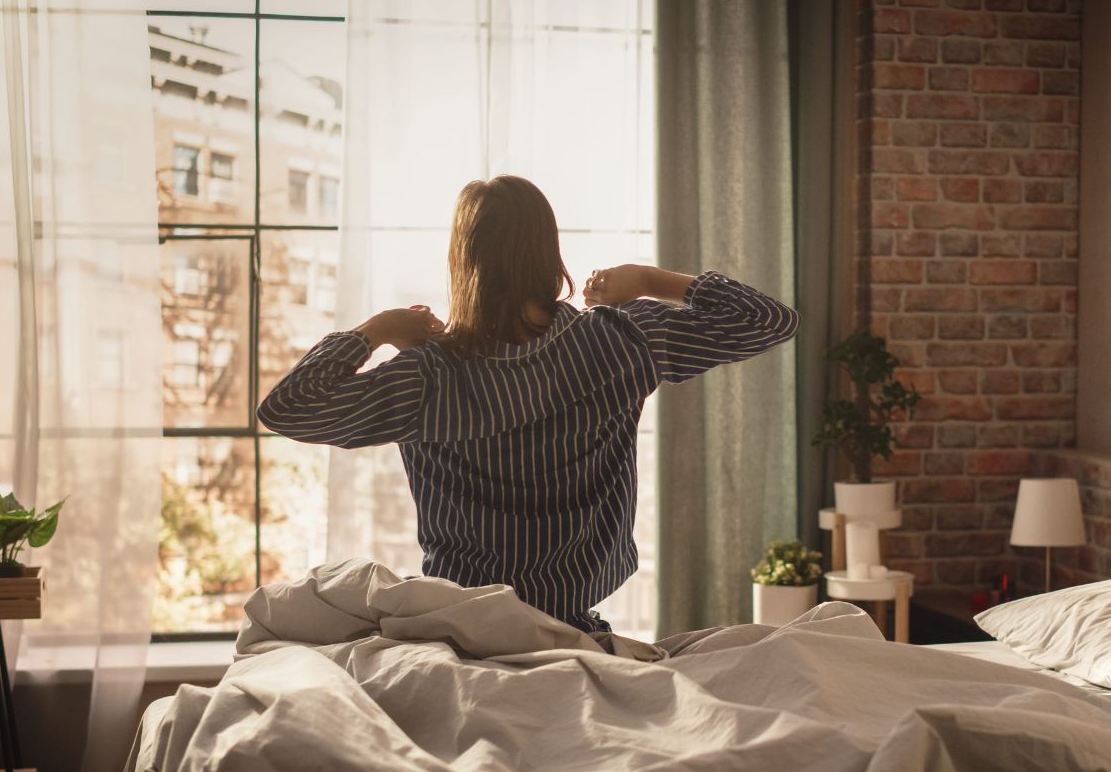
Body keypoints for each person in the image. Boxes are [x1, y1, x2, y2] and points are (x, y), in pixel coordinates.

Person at [257, 175, 797, 633]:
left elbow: (287, 408)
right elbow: (770, 319)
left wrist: (379, 329)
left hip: (459, 631)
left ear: (464, 260)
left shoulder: (430, 376)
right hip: (571, 625)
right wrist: (651, 279)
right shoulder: (619, 341)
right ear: (548, 250)